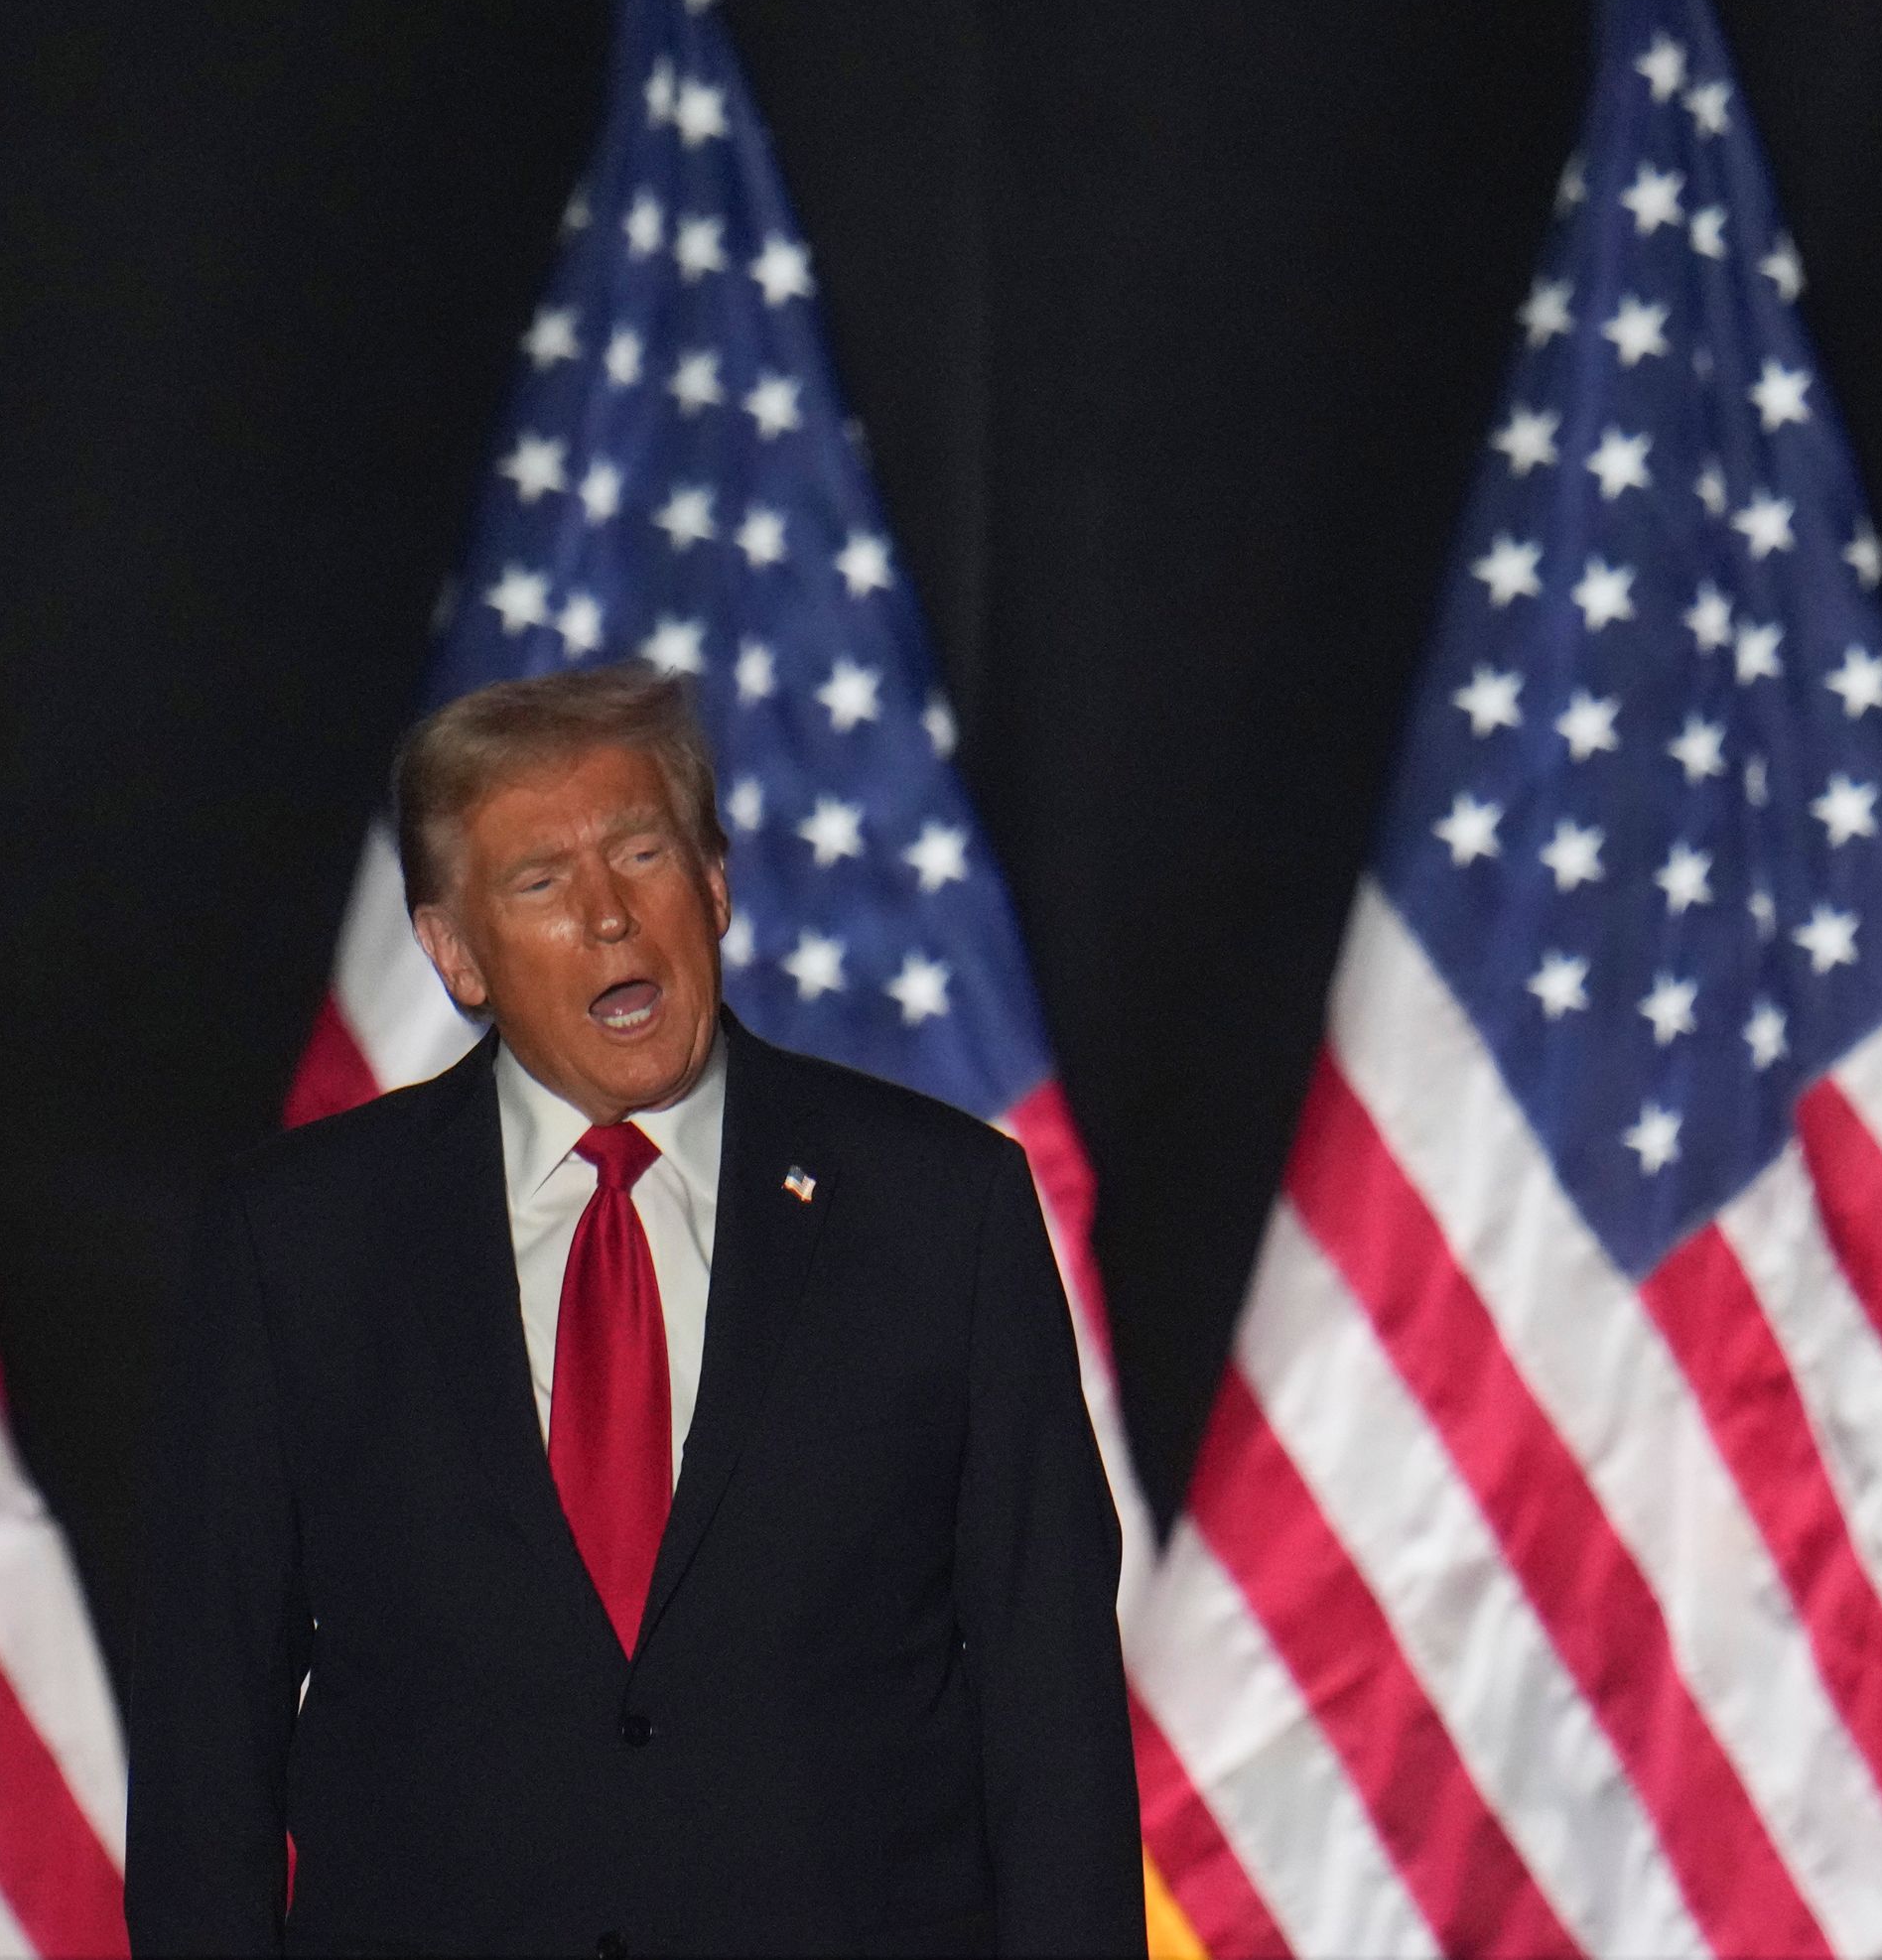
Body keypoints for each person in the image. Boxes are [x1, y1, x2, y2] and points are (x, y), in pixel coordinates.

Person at [130, 661, 1139, 1955]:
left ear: (713, 885)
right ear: (454, 953)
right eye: (541, 882)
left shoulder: (942, 1209)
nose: (610, 916)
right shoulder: (299, 1239)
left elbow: (1050, 1704)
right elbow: (208, 1727)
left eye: (642, 852)